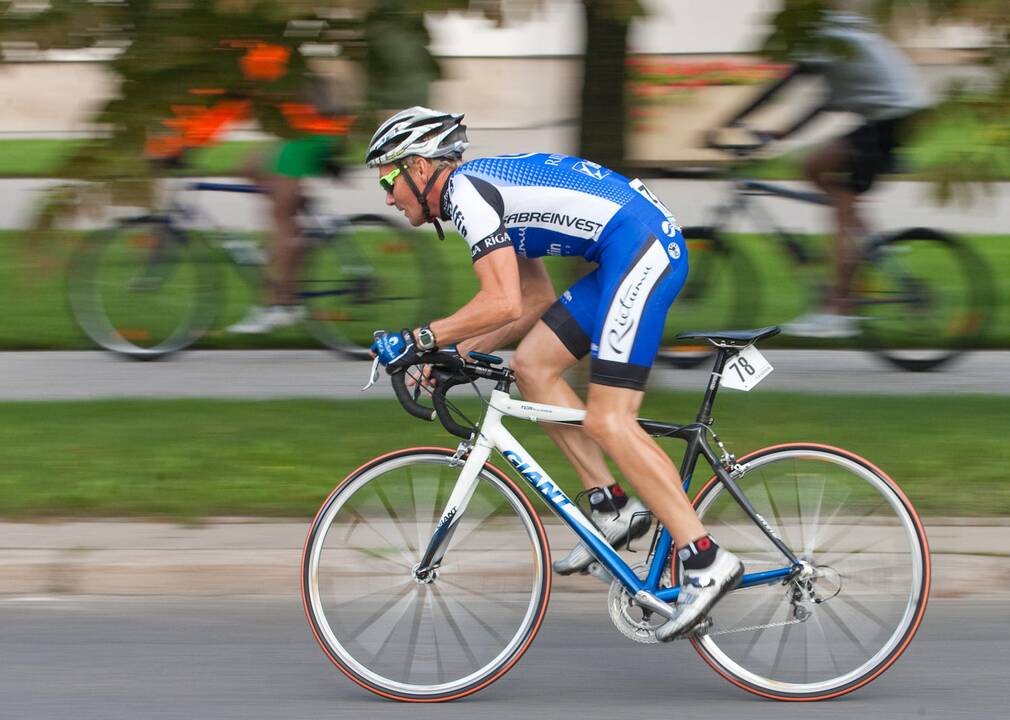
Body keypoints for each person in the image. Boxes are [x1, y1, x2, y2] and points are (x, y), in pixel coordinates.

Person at [366, 107, 743, 641]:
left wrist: (419, 339)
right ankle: (611, 510)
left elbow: (499, 301)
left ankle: (705, 560)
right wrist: (450, 355)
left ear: (421, 169)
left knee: (611, 421)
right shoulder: (479, 191)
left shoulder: (469, 195)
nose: (386, 195)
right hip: (624, 250)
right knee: (533, 367)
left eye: (388, 178)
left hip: (641, 250)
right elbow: (529, 302)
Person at [727, 8, 930, 338]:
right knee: (814, 168)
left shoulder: (824, 33)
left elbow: (785, 85)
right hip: (895, 115)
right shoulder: (836, 30)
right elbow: (822, 102)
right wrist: (783, 133)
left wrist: (729, 120)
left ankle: (836, 311)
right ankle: (868, 242)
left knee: (839, 209)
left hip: (890, 119)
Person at [145, 40, 353, 334]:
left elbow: (225, 109)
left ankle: (277, 304)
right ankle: (295, 236)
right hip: (305, 126)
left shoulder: (247, 51)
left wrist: (182, 146)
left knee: (281, 217)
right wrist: (184, 143)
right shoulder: (240, 47)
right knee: (251, 166)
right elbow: (223, 109)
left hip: (315, 130)